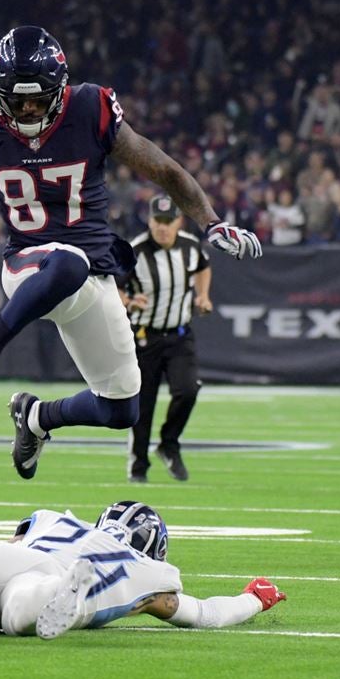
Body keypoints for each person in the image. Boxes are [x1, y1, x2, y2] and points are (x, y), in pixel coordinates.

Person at [0, 25, 262, 480]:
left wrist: (211, 221)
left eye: (38, 98)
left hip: (92, 276)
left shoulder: (90, 109)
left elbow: (163, 168)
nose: (28, 108)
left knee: (122, 407)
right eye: (17, 99)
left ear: (60, 89)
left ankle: (35, 418)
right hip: (29, 262)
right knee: (67, 260)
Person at [0, 402, 286, 639]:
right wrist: (254, 597)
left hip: (8, 560)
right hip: (46, 579)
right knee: (20, 614)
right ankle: (67, 593)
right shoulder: (152, 575)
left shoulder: (54, 521)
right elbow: (206, 614)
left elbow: (11, 549)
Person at [122, 195, 212, 483]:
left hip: (179, 334)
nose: (162, 228)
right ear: (149, 221)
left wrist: (203, 295)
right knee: (143, 405)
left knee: (188, 390)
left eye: (168, 221)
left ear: (178, 221)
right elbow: (111, 284)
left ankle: (169, 444)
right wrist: (128, 301)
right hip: (144, 337)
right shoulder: (134, 250)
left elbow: (203, 266)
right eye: (157, 221)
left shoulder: (190, 246)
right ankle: (138, 466)